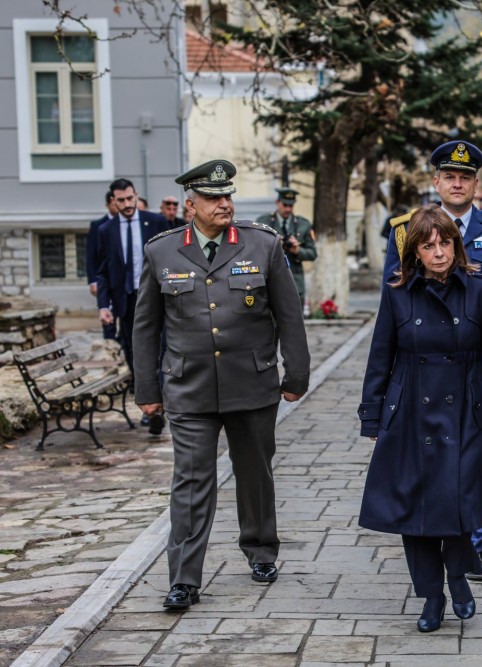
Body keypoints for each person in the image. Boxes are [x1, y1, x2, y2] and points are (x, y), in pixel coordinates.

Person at [131, 160, 310, 610]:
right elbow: (145, 328)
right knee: (190, 481)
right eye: (213, 198)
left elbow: (289, 315)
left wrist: (298, 374)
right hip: (189, 388)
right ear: (191, 205)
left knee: (255, 473)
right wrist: (147, 390)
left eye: (227, 196)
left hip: (251, 384)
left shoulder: (262, 244)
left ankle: (261, 549)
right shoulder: (162, 251)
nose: (224, 204)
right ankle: (185, 578)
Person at [358, 205, 482, 632]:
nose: (439, 253)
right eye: (428, 246)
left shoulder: (480, 291)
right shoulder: (397, 292)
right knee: (417, 506)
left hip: (467, 406)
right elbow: (380, 357)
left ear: (456, 244)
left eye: (445, 243)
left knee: (462, 498)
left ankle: (458, 575)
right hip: (410, 407)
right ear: (415, 251)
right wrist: (373, 417)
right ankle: (431, 596)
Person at [384, 140, 482, 583]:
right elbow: (393, 298)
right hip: (426, 366)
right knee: (431, 455)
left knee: (475, 455)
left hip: (480, 362)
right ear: (437, 182)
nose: (457, 182)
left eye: (465, 177)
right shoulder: (406, 229)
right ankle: (438, 537)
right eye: (449, 176)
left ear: (475, 183)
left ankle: (473, 544)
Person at [95, 178, 169, 378]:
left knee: (163, 340)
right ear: (113, 201)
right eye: (121, 200)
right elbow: (102, 271)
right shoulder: (106, 230)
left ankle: (164, 385)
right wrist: (103, 305)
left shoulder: (156, 222)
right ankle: (141, 388)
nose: (127, 204)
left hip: (156, 294)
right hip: (125, 298)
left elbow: (170, 258)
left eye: (130, 198)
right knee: (132, 344)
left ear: (136, 196)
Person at [256, 187, 318, 309]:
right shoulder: (264, 222)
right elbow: (255, 249)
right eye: (285, 205)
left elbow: (312, 253)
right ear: (277, 202)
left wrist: (298, 250)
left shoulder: (303, 224)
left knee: (296, 319)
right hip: (271, 277)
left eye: (291, 205)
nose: (288, 209)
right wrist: (274, 245)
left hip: (295, 278)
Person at [87, 191, 117, 340]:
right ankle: (109, 343)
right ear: (107, 205)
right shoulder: (98, 225)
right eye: (113, 203)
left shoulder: (126, 223)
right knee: (107, 315)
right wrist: (93, 281)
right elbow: (91, 255)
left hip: (122, 279)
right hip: (105, 278)